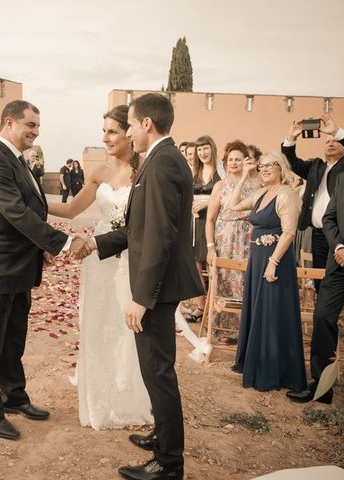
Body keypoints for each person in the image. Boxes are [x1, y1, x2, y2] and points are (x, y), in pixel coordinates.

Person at [74, 93, 203, 480]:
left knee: (157, 371)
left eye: (129, 124)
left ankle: (168, 462)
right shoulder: (159, 160)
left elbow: (160, 236)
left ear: (147, 123)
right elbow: (138, 229)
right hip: (159, 285)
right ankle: (162, 434)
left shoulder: (162, 164)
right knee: (156, 369)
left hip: (157, 289)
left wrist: (141, 299)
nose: (128, 132)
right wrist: (97, 243)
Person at [48, 105, 152, 430]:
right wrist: (28, 201)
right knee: (97, 325)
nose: (105, 138)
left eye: (111, 131)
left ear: (129, 133)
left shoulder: (145, 173)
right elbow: (70, 209)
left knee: (126, 327)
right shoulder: (100, 173)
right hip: (98, 261)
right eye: (103, 131)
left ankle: (128, 396)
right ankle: (100, 397)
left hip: (130, 261)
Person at [0, 100, 71, 441]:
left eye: (38, 126)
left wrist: (38, 248)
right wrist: (61, 242)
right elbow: (16, 212)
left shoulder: (20, 161)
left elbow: (34, 207)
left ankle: (14, 396)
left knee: (14, 338)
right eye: (31, 125)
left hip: (20, 265)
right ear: (10, 122)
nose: (36, 131)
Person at [287, 129, 344, 407]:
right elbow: (329, 218)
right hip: (337, 265)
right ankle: (322, 387)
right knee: (324, 318)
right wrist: (340, 249)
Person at [228, 152, 306, 392]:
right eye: (261, 166)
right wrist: (242, 177)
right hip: (257, 259)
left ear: (281, 167)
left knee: (272, 313)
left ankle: (272, 370)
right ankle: (253, 361)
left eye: (269, 165)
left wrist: (273, 262)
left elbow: (289, 233)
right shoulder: (261, 193)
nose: (264, 169)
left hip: (276, 261)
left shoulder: (287, 195)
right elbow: (232, 206)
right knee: (257, 309)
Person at [281, 115, 344, 290]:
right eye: (327, 141)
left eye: (335, 141)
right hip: (317, 234)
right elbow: (290, 162)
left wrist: (337, 132)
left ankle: (341, 313)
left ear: (343, 148)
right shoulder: (315, 166)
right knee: (319, 278)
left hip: (340, 233)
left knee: (337, 277)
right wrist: (292, 137)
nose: (330, 143)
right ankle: (322, 313)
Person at [205, 141, 260, 343]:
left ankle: (244, 331)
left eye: (238, 159)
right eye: (230, 160)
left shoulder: (256, 184)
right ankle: (224, 330)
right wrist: (211, 247)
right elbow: (210, 220)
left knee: (245, 284)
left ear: (246, 161)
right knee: (225, 284)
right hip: (224, 239)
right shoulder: (221, 185)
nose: (234, 163)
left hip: (248, 239)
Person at [187, 135, 221, 323]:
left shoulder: (220, 172)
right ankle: (201, 306)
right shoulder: (194, 172)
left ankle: (215, 309)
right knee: (195, 266)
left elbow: (227, 194)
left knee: (212, 265)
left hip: (214, 222)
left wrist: (207, 202)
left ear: (212, 148)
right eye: (199, 150)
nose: (202, 153)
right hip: (194, 223)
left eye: (205, 148)